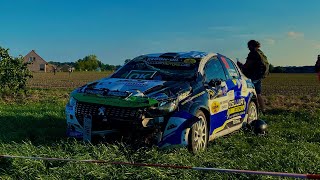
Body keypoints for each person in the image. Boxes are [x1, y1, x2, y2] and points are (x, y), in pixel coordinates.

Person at [237, 40, 269, 114]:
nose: (248, 47)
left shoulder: (253, 54)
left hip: (253, 76)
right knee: (258, 94)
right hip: (259, 76)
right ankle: (263, 110)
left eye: (249, 46)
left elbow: (247, 66)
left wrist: (240, 65)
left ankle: (251, 110)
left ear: (252, 45)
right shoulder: (260, 52)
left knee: (249, 93)